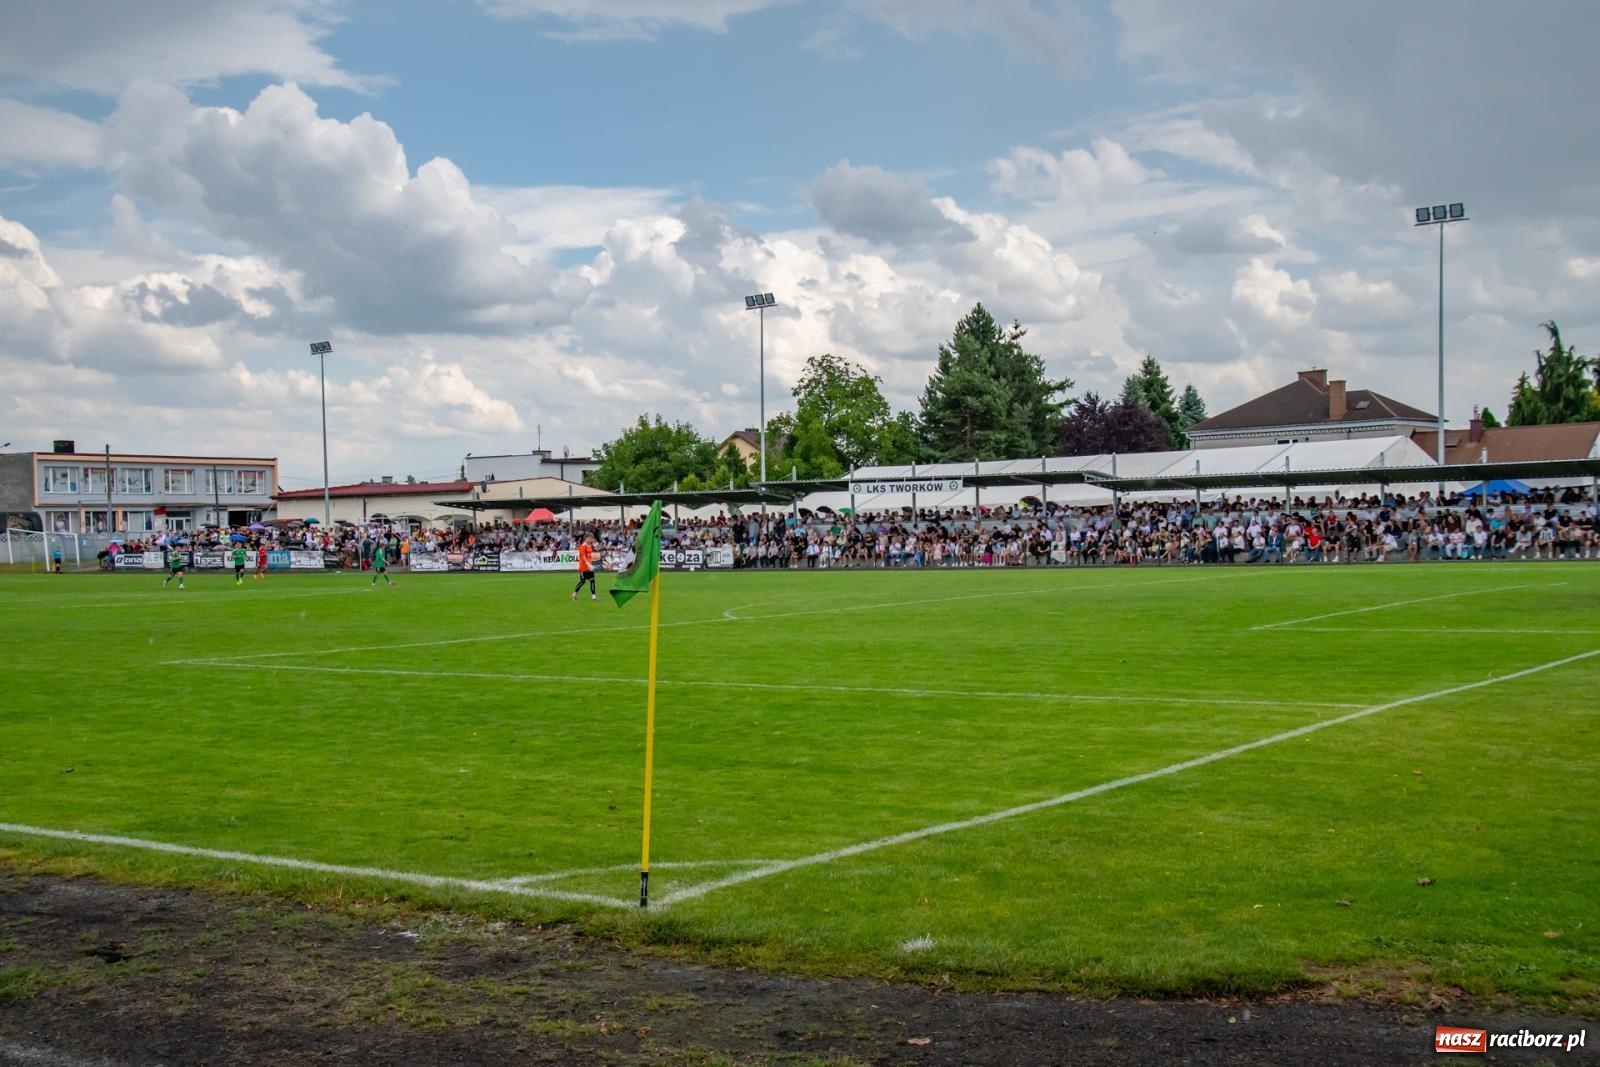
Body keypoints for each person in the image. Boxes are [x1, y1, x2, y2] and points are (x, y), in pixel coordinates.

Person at [572, 533, 598, 601]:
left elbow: (589, 556)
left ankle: (593, 597)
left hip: (590, 567)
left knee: (592, 580)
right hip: (583, 567)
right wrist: (588, 564)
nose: (591, 540)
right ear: (586, 538)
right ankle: (574, 594)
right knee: (582, 582)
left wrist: (591, 564)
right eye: (590, 538)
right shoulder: (582, 546)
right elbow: (583, 556)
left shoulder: (589, 546)